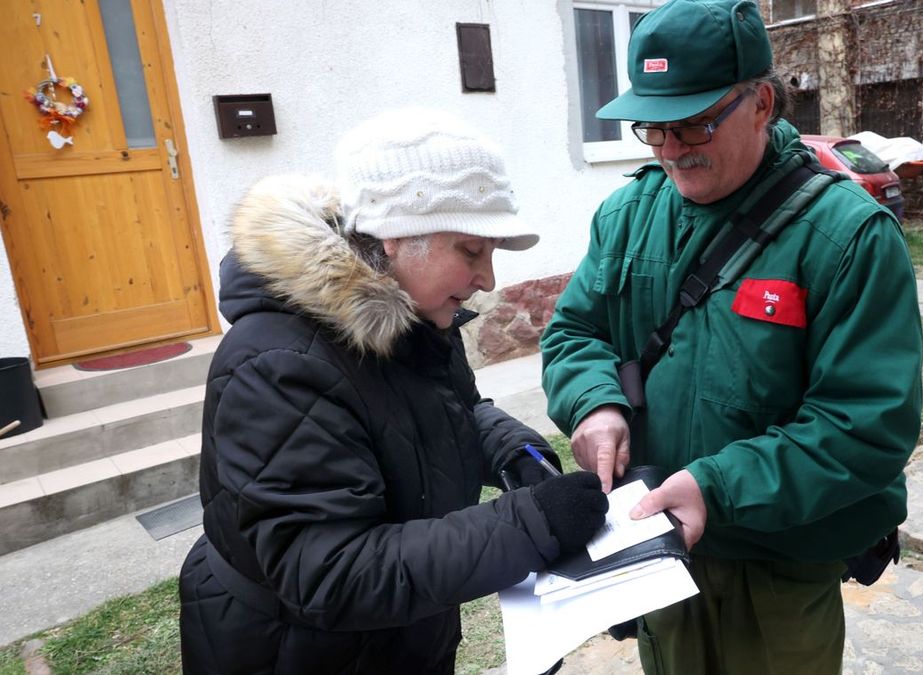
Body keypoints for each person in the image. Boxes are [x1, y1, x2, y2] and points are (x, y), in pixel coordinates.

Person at [540, 1, 923, 673]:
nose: (668, 150)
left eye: (691, 123)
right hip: (659, 556)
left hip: (779, 567)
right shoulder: (628, 215)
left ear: (762, 102)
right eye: (651, 128)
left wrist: (717, 486)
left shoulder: (848, 235)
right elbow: (575, 331)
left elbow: (868, 424)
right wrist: (593, 402)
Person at [178, 108, 608, 674]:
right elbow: (328, 569)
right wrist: (529, 525)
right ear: (396, 238)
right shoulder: (279, 364)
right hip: (293, 652)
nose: (489, 280)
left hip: (395, 639)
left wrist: (514, 452)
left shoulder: (415, 317)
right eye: (472, 251)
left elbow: (444, 411)